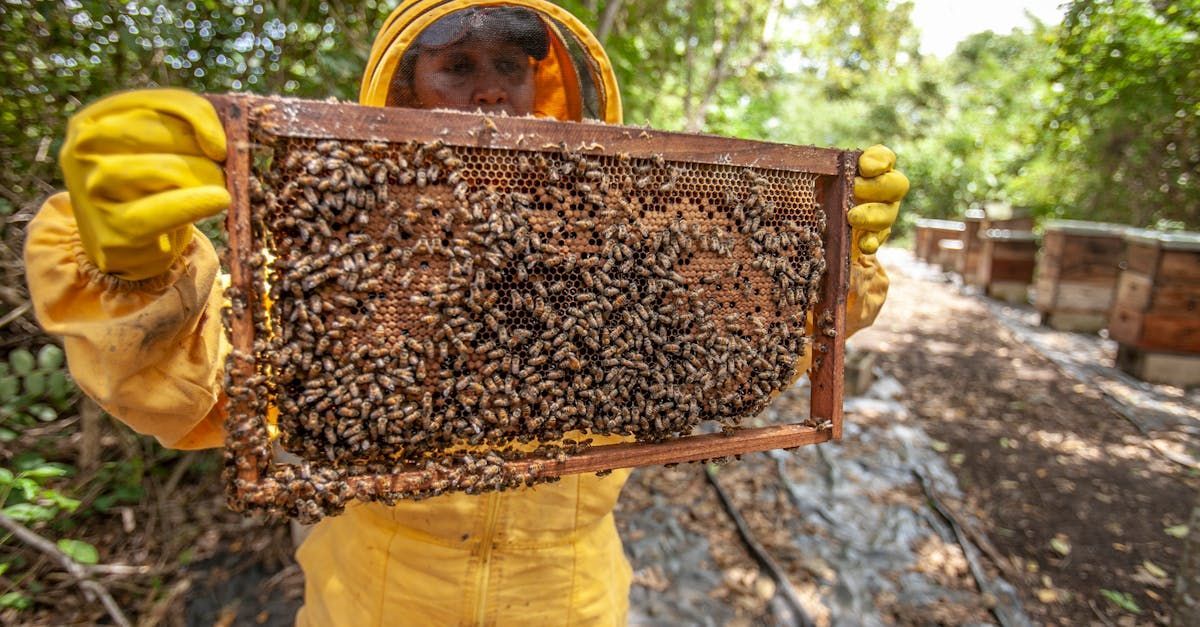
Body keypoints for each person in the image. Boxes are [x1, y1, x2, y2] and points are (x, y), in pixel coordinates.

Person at [24, 1, 908, 624]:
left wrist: (834, 264)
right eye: (456, 66)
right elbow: (200, 389)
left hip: (570, 605)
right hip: (374, 604)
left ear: (546, 86)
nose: (489, 96)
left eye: (510, 68)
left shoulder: (627, 241)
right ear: (403, 95)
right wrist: (134, 274)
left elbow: (733, 353)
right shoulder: (350, 256)